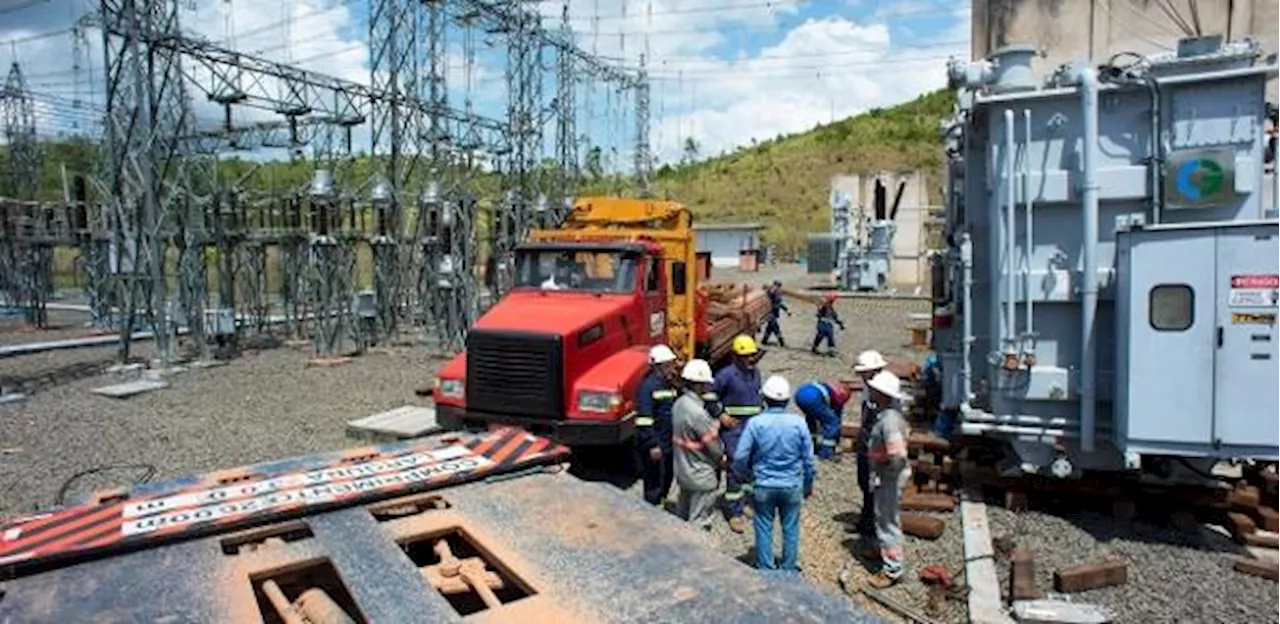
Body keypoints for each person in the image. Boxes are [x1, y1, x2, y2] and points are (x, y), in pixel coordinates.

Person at [732, 375, 815, 573]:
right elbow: (809, 460)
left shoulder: (756, 423)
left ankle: (766, 569)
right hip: (791, 484)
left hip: (764, 484)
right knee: (791, 528)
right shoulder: (799, 423)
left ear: (764, 399)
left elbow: (741, 456)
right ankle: (788, 568)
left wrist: (743, 476)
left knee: (763, 526)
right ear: (787, 400)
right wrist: (808, 484)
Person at [864, 370, 912, 589]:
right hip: (885, 476)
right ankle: (881, 550)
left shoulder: (890, 420)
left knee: (887, 522)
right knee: (881, 516)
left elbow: (898, 454)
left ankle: (892, 569)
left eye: (874, 390)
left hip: (889, 478)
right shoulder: (887, 415)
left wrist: (886, 472)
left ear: (882, 394)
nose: (870, 392)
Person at [713, 334, 765, 533]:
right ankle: (734, 512)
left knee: (752, 467)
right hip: (734, 430)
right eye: (746, 356)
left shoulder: (756, 373)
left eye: (753, 355)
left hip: (753, 429)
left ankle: (746, 503)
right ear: (736, 356)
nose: (751, 359)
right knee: (736, 467)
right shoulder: (726, 375)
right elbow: (709, 396)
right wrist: (721, 414)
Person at [672, 359, 725, 530]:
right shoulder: (698, 413)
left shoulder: (679, 404)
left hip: (683, 470)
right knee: (699, 522)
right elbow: (714, 448)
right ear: (699, 385)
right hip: (701, 475)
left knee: (681, 516)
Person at [635, 344, 680, 506]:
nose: (672, 368)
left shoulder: (668, 384)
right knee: (654, 479)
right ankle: (651, 509)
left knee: (667, 475)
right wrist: (652, 444)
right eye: (668, 365)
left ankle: (661, 501)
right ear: (658, 366)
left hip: (667, 442)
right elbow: (644, 419)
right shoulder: (648, 387)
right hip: (656, 443)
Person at [852, 350, 889, 538]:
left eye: (863, 372)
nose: (861, 376)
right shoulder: (869, 387)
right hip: (866, 442)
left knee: (875, 486)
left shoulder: (885, 390)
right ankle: (865, 522)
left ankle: (874, 528)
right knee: (865, 484)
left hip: (877, 445)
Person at [793, 378, 854, 461]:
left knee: (811, 419)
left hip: (800, 394)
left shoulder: (830, 387)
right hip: (813, 398)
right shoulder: (840, 396)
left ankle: (810, 445)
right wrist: (836, 438)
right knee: (832, 422)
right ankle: (826, 453)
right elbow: (836, 418)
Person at [760, 280, 790, 347]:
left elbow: (779, 303)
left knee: (770, 327)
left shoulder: (776, 292)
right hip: (770, 312)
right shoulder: (771, 292)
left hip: (773, 312)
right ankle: (781, 342)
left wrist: (786, 310)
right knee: (775, 327)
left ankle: (764, 340)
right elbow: (773, 303)